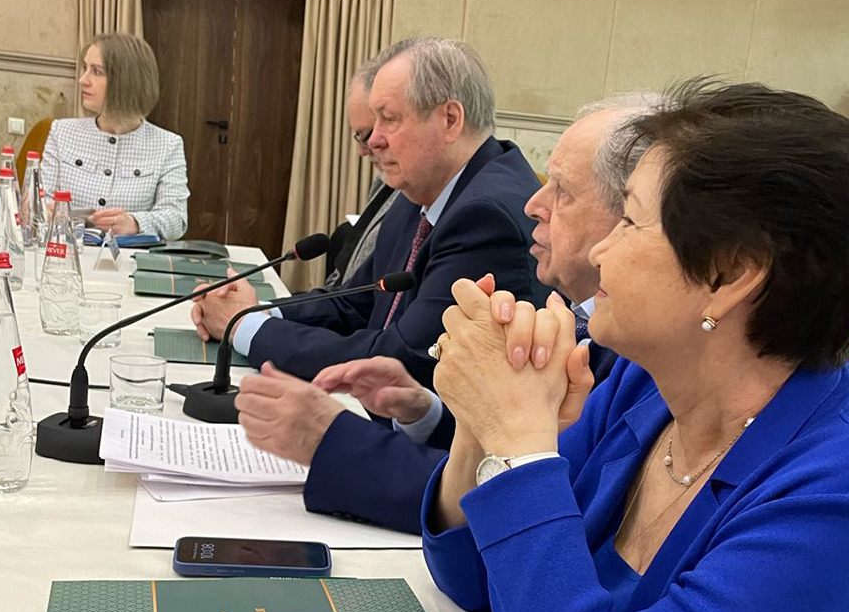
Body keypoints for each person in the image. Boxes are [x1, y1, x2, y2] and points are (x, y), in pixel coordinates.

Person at [424, 80, 849, 612]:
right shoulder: (650, 382)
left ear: (730, 273)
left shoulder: (848, 498)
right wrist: (483, 424)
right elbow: (474, 576)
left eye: (630, 222)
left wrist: (520, 448)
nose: (600, 251)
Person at [229, 97, 654, 533]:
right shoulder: (571, 309)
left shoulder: (642, 354)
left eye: (562, 190)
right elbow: (507, 453)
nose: (533, 205)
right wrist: (427, 415)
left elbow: (541, 505)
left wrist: (330, 439)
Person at [190, 36, 547, 387]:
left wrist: (244, 327)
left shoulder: (487, 217)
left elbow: (400, 360)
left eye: (389, 119)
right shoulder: (419, 190)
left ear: (450, 119)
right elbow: (355, 302)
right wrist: (257, 309)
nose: (373, 141)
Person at [41, 33, 189, 240]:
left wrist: (135, 223)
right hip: (66, 254)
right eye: (85, 68)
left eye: (97, 72)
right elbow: (40, 199)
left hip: (129, 258)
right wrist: (41, 210)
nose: (82, 80)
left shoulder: (168, 145)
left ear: (126, 81)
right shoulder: (61, 132)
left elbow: (176, 218)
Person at [322, 61, 401, 289]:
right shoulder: (384, 182)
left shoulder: (418, 195)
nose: (364, 150)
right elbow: (343, 286)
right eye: (360, 137)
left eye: (366, 135)